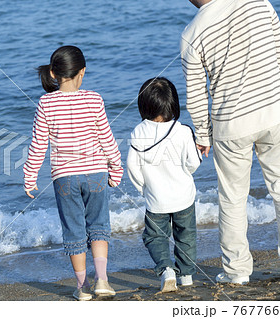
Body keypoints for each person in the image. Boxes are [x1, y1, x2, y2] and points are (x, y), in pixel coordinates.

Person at [181, 0, 280, 285]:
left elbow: (196, 95)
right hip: (275, 112)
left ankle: (237, 271)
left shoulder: (192, 33)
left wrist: (202, 134)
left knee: (233, 199)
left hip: (230, 124)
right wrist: (268, 90)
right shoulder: (258, 3)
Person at [23, 45, 123, 300]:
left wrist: (30, 176)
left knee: (74, 231)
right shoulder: (94, 99)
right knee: (99, 226)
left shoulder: (46, 102)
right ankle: (102, 279)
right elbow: (106, 138)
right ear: (82, 72)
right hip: (96, 173)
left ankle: (82, 288)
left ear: (53, 74)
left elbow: (38, 144)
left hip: (64, 177)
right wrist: (116, 167)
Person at [127, 77, 202, 292]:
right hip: (183, 196)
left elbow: (133, 167)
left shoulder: (138, 132)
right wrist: (185, 172)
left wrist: (143, 188)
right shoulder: (183, 131)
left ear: (144, 105)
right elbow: (193, 163)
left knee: (155, 237)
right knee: (186, 236)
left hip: (156, 199)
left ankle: (167, 269)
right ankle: (186, 276)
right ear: (174, 104)